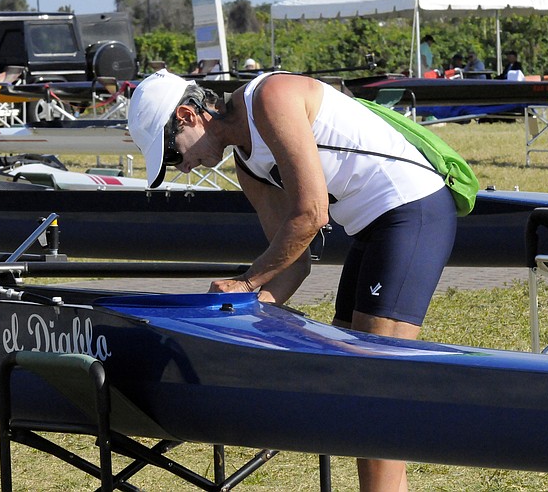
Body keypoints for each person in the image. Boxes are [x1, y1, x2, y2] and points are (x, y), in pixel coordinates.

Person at [128, 69, 458, 492]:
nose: (183, 168)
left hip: (412, 210)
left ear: (189, 115)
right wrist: (250, 314)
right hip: (373, 228)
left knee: (373, 386)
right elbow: (296, 264)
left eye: (172, 155)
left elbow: (311, 214)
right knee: (350, 384)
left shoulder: (270, 97)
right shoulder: (247, 166)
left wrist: (247, 283)